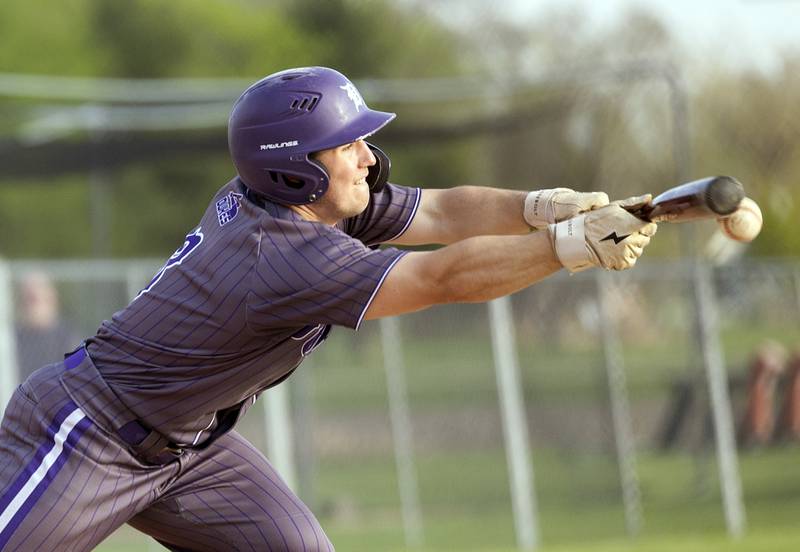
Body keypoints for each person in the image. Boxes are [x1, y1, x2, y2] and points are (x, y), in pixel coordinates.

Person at [0, 67, 656, 551]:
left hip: (189, 447)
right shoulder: (281, 254)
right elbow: (443, 277)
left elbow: (444, 211)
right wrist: (567, 249)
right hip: (89, 435)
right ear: (295, 169)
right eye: (347, 145)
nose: (367, 157)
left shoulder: (299, 202)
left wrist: (542, 209)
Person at [13, 271, 80, 382]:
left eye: (34, 300)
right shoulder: (13, 338)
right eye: (27, 300)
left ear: (52, 298)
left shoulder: (66, 338)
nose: (30, 308)